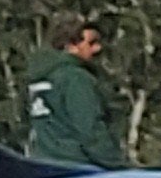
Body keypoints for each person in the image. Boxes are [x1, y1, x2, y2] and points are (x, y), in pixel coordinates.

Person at [21, 12, 127, 169]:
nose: (98, 48)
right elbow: (89, 129)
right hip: (76, 166)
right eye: (91, 43)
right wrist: (116, 164)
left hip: (42, 164)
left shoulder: (38, 78)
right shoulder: (75, 78)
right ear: (70, 45)